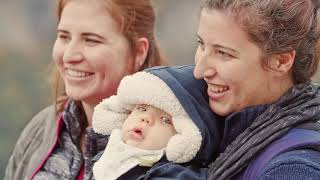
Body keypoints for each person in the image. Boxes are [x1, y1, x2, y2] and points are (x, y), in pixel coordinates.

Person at [4, 0, 165, 179]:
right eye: (64, 37)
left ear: (139, 52)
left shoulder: (164, 152)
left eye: (91, 40)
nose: (69, 55)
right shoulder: (41, 130)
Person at [193, 0, 320, 179]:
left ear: (281, 61)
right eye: (201, 44)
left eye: (223, 53)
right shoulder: (195, 127)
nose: (199, 71)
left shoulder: (294, 170)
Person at [91, 67, 222, 180]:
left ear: (183, 139)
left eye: (165, 120)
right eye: (142, 109)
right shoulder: (106, 157)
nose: (146, 118)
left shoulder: (175, 175)